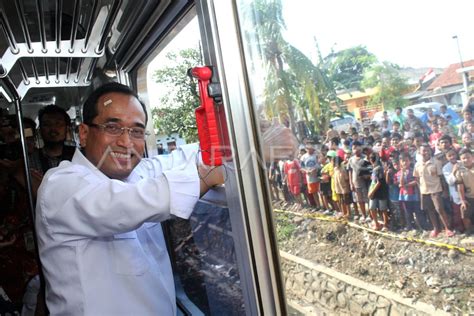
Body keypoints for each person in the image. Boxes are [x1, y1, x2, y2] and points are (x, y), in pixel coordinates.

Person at [35, 83, 227, 315]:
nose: (126, 142)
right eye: (113, 127)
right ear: (84, 134)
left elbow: (190, 155)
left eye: (136, 131)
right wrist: (205, 176)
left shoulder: (139, 172)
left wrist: (248, 141)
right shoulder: (60, 185)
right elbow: (124, 204)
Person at [413, 144, 454, 238]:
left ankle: (447, 228)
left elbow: (441, 177)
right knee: (430, 210)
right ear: (419, 152)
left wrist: (444, 191)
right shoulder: (417, 164)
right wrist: (421, 189)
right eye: (424, 151)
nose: (426, 152)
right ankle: (436, 229)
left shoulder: (436, 162)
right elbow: (417, 178)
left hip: (436, 190)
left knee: (440, 209)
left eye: (428, 150)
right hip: (424, 191)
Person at [454, 148, 474, 234]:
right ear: (460, 159)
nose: (466, 160)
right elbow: (460, 186)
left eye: (468, 157)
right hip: (469, 196)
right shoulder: (460, 170)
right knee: (465, 212)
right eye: (463, 158)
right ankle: (469, 231)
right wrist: (462, 200)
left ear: (472, 157)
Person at [368, 153, 390, 231]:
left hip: (380, 191)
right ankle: (377, 224)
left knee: (383, 209)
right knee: (372, 207)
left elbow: (379, 182)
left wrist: (372, 192)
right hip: (375, 191)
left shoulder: (378, 169)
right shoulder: (374, 169)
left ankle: (385, 225)